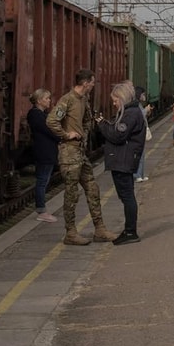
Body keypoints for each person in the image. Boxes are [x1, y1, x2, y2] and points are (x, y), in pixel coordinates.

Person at [46, 69, 119, 246]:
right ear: (85, 83)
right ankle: (70, 233)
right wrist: (66, 134)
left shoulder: (83, 100)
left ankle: (100, 229)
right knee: (71, 194)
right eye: (92, 83)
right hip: (69, 153)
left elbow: (87, 120)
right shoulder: (67, 100)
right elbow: (51, 121)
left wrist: (84, 133)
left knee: (92, 189)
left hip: (80, 152)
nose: (93, 86)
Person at [98, 80, 147, 244]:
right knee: (126, 196)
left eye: (115, 100)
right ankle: (129, 230)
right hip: (124, 159)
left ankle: (130, 232)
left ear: (122, 98)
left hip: (123, 160)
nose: (113, 103)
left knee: (127, 196)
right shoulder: (131, 112)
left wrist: (102, 125)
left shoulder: (131, 114)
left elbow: (118, 135)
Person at [27, 88, 61, 223]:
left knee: (44, 181)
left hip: (47, 152)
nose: (49, 101)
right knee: (42, 181)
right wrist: (62, 136)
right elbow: (50, 130)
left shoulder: (42, 114)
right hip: (44, 152)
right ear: (39, 100)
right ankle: (41, 211)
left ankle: (42, 209)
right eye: (46, 98)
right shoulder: (36, 115)